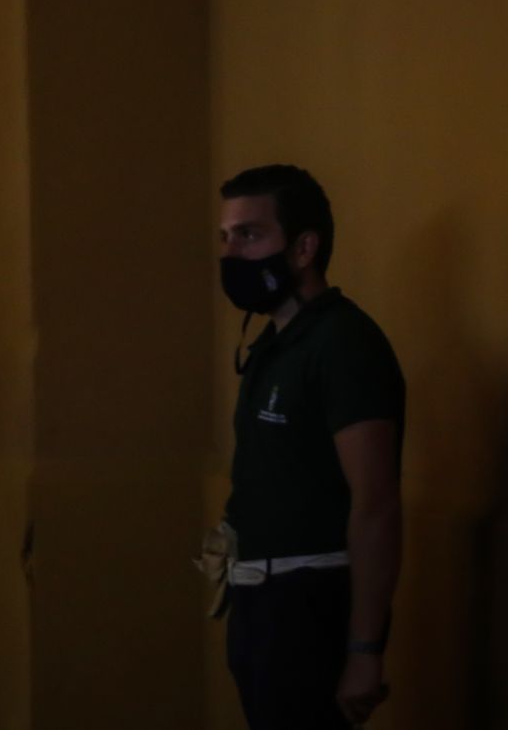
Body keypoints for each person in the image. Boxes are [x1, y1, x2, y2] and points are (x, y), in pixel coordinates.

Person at [216, 164, 403, 729]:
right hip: (256, 607)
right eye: (225, 237)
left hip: (308, 611)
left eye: (250, 235)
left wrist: (365, 652)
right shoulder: (273, 344)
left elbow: (376, 505)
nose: (232, 252)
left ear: (303, 247)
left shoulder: (344, 344)